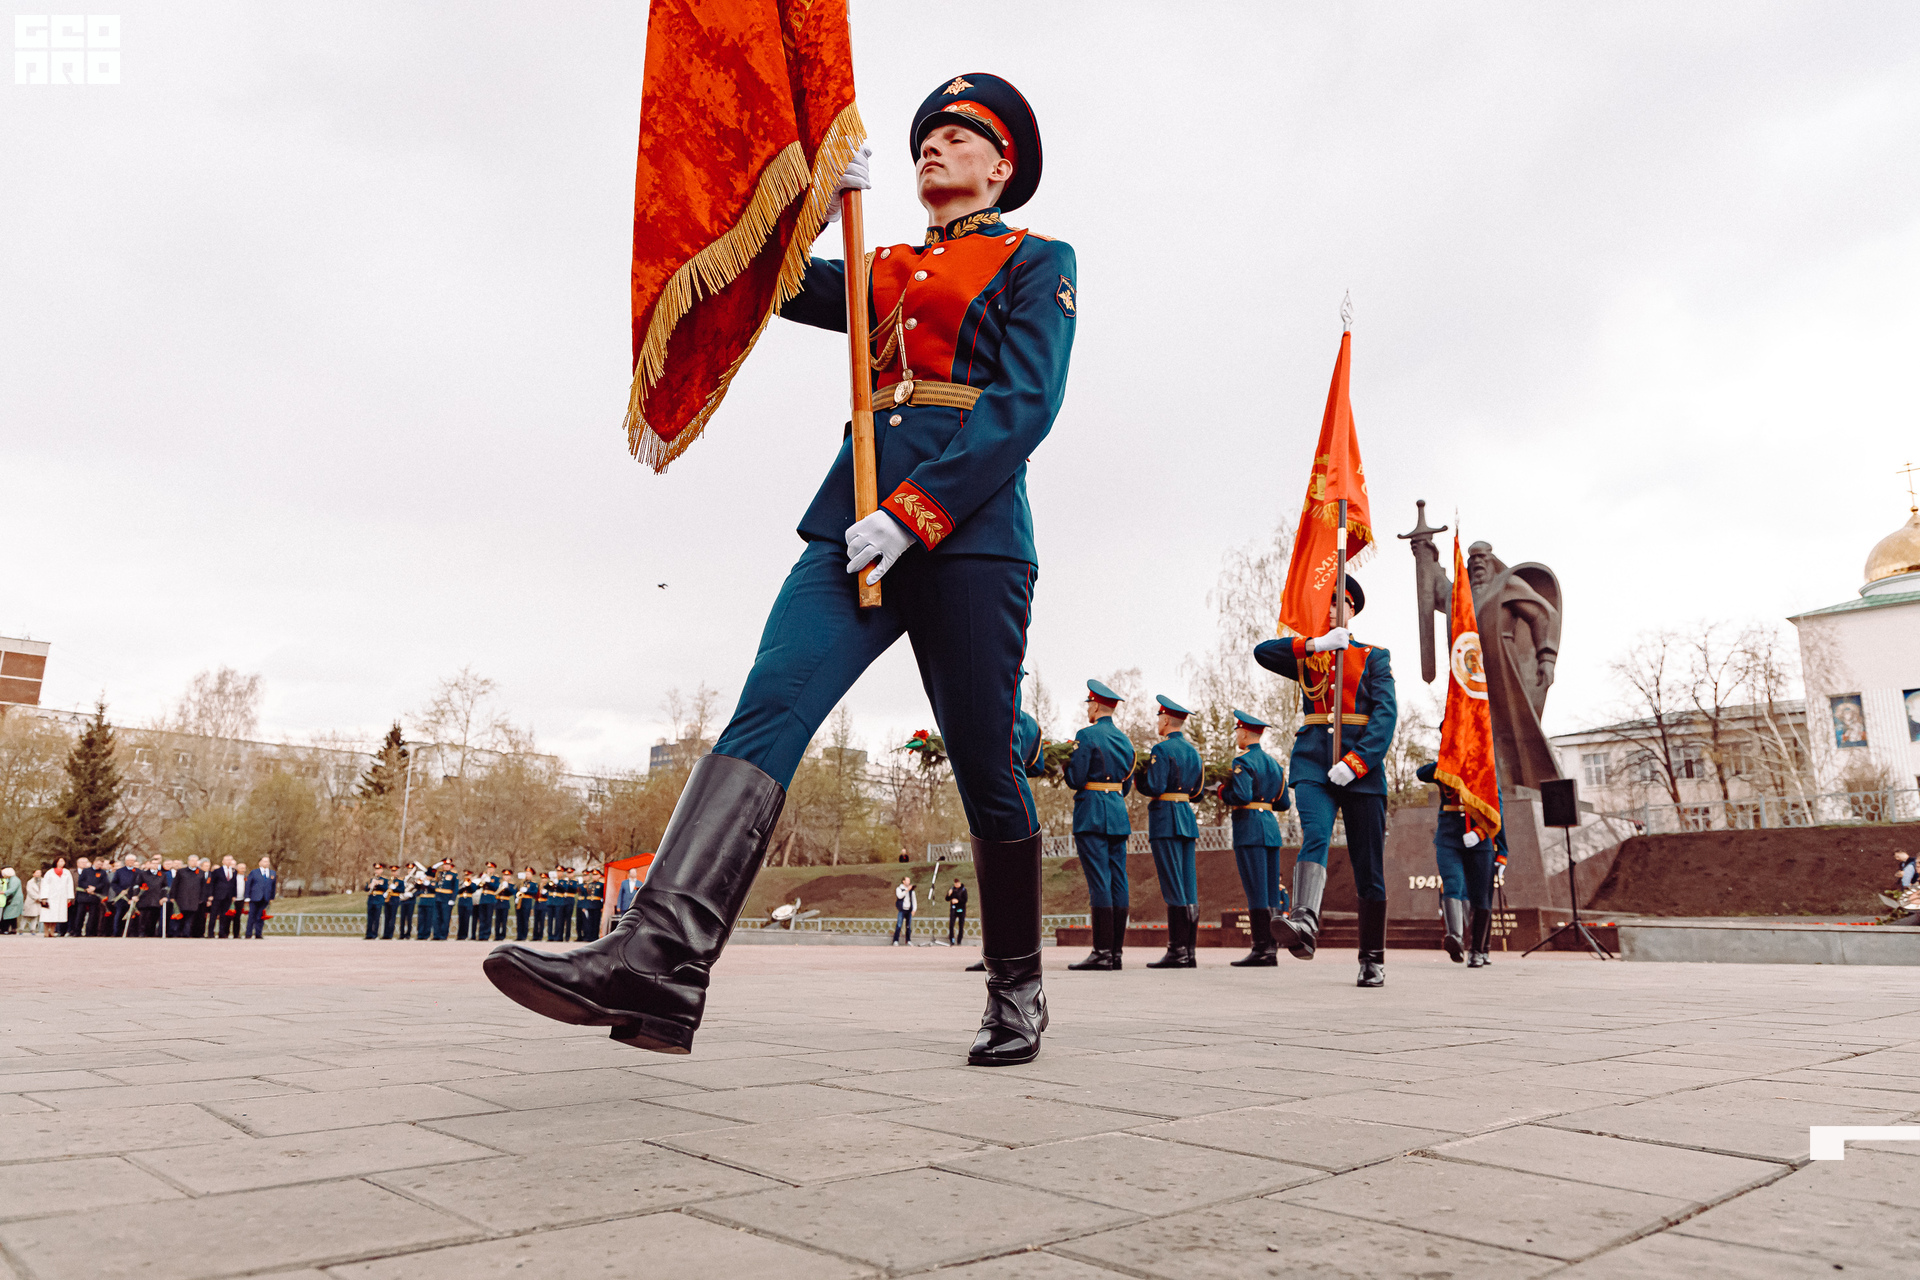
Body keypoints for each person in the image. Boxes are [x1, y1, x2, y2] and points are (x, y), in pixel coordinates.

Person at [485, 72, 1070, 1067]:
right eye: (923, 133)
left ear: (1001, 163)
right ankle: (661, 959)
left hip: (966, 536)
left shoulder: (1036, 260)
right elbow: (766, 281)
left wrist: (915, 514)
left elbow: (1027, 406)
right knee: (770, 705)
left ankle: (1016, 985)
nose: (932, 144)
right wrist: (805, 199)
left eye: (957, 134)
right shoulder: (880, 261)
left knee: (986, 770)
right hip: (851, 521)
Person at [1254, 577, 1399, 987]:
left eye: (1342, 604)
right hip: (1314, 763)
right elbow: (1262, 652)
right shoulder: (1310, 656)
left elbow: (1385, 716)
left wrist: (1356, 763)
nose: (1334, 609)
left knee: (1368, 866)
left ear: (1353, 611)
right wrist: (1315, 644)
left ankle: (1372, 959)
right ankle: (1304, 921)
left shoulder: (1375, 657)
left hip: (1361, 771)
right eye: (1328, 603)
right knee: (1314, 834)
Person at [1064, 681, 1135, 972]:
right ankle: (1115, 953)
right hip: (1117, 812)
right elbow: (1127, 784)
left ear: (1094, 706)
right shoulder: (1125, 741)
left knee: (1099, 883)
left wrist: (1065, 766)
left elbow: (1076, 778)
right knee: (1118, 880)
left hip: (1091, 812)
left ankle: (1101, 952)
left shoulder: (1086, 735)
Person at [1416, 760, 1508, 967]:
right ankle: (1455, 938)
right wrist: (1448, 757)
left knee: (1480, 897)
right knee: (1452, 882)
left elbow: (1496, 809)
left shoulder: (1485, 768)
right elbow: (1422, 773)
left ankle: (1478, 949)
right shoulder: (1446, 766)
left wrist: (1491, 841)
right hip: (1449, 836)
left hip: (1479, 839)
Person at [1218, 710, 1290, 967]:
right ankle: (1270, 948)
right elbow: (1283, 803)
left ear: (1246, 733)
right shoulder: (1274, 764)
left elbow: (1242, 795)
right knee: (1271, 892)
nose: (1237, 735)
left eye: (1238, 731)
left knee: (1256, 890)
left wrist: (1222, 791)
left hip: (1249, 829)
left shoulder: (1243, 762)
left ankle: (1261, 949)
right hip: (1270, 828)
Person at [1141, 697, 1203, 970]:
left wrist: (1140, 776)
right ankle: (1189, 952)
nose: (1158, 722)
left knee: (1173, 885)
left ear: (1166, 720)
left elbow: (1154, 785)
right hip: (1186, 817)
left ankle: (1176, 951)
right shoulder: (1194, 752)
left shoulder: (1162, 749)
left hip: (1165, 818)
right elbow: (1198, 791)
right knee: (1188, 886)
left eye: (1158, 718)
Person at [173, 856, 208, 939]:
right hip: (182, 898)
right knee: (181, 916)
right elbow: (175, 885)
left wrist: (202, 898)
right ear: (188, 861)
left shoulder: (201, 873)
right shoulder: (181, 872)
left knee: (191, 917)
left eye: (195, 861)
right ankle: (178, 932)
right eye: (192, 861)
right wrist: (173, 896)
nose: (194, 862)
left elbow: (203, 887)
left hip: (194, 899)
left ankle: (187, 933)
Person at [244, 855, 276, 939]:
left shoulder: (272, 873)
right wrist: (247, 897)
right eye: (265, 861)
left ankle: (258, 933)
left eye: (268, 861)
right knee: (252, 916)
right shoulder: (254, 872)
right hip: (254, 897)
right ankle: (248, 933)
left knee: (260, 916)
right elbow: (248, 885)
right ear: (260, 863)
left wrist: (272, 897)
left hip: (265, 898)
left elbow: (273, 886)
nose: (267, 863)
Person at [40, 857, 73, 938]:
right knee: (47, 915)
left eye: (63, 861)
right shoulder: (49, 872)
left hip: (62, 896)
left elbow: (70, 884)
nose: (62, 862)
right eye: (60, 861)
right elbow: (45, 885)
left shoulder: (67, 872)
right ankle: (46, 932)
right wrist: (44, 897)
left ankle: (52, 931)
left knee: (56, 915)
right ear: (56, 862)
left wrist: (69, 896)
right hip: (50, 896)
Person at [208, 855, 241, 938]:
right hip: (217, 895)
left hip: (228, 896)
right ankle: (210, 933)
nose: (228, 861)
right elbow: (212, 883)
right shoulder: (217, 871)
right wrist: (211, 894)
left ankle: (222, 933)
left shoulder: (234, 871)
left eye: (230, 860)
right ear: (223, 861)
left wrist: (234, 895)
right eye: (227, 860)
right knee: (214, 915)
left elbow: (234, 884)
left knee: (224, 915)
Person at [74, 856, 108, 937]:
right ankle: (77, 932)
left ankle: (89, 932)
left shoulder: (103, 873)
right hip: (83, 895)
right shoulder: (86, 870)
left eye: (101, 864)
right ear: (94, 862)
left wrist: (95, 888)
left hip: (94, 896)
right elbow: (81, 881)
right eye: (98, 864)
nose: (99, 866)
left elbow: (104, 884)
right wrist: (87, 887)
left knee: (93, 916)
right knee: (80, 915)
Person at [134, 856, 166, 938]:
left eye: (157, 864)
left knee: (153, 917)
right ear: (150, 864)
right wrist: (135, 895)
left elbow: (165, 887)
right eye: (153, 864)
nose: (155, 865)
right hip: (144, 898)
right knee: (143, 917)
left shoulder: (162, 874)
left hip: (156, 899)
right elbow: (137, 885)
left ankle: (151, 933)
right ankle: (141, 932)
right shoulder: (143, 874)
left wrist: (164, 897)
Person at [366, 864, 388, 940]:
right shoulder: (371, 879)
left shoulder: (384, 879)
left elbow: (385, 888)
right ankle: (368, 934)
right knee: (370, 918)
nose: (377, 871)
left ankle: (374, 934)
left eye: (378, 869)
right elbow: (366, 888)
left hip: (378, 899)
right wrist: (369, 886)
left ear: (381, 870)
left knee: (376, 918)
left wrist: (377, 884)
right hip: (371, 899)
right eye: (376, 869)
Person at [515, 868, 538, 941]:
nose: (527, 875)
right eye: (526, 873)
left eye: (528, 874)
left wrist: (527, 890)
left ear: (531, 875)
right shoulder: (521, 883)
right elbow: (516, 890)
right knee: (519, 919)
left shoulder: (533, 883)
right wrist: (517, 897)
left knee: (525, 919)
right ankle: (519, 935)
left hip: (527, 901)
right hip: (520, 901)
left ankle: (524, 935)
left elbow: (535, 892)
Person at [455, 870, 478, 941]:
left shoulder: (473, 884)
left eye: (468, 875)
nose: (467, 877)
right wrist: (463, 886)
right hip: (461, 901)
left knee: (467, 919)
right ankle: (460, 935)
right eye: (466, 875)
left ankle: (467, 934)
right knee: (461, 918)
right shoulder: (461, 883)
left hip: (468, 901)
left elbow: (473, 890)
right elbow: (457, 891)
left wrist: (469, 884)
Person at [946, 876, 969, 946]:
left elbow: (965, 900)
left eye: (957, 883)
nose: (956, 885)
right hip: (954, 909)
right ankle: (952, 939)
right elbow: (947, 899)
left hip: (961, 909)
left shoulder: (963, 890)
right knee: (951, 925)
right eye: (955, 883)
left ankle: (959, 940)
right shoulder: (952, 889)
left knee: (961, 925)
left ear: (960, 883)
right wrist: (949, 894)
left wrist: (958, 901)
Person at [1, 867, 21, 934]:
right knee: (12, 915)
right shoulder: (11, 879)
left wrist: (3, 892)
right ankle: (12, 929)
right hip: (12, 899)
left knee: (9, 914)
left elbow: (12, 889)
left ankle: (8, 929)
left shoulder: (14, 880)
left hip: (15, 899)